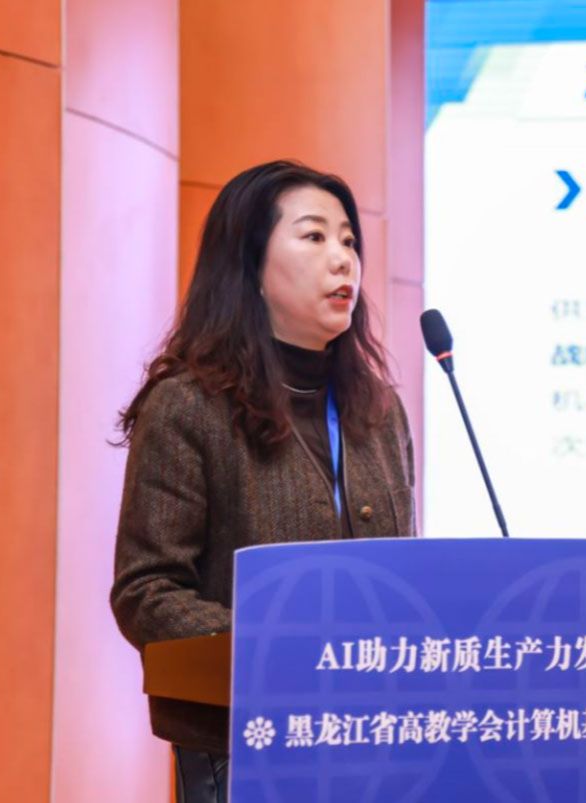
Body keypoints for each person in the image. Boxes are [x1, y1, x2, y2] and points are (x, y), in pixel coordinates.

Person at [110, 160, 415, 803]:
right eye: (314, 236)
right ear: (250, 264)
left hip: (374, 738)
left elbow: (400, 578)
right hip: (240, 745)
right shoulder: (189, 406)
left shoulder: (378, 412)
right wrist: (282, 651)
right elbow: (146, 591)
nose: (344, 259)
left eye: (349, 240)